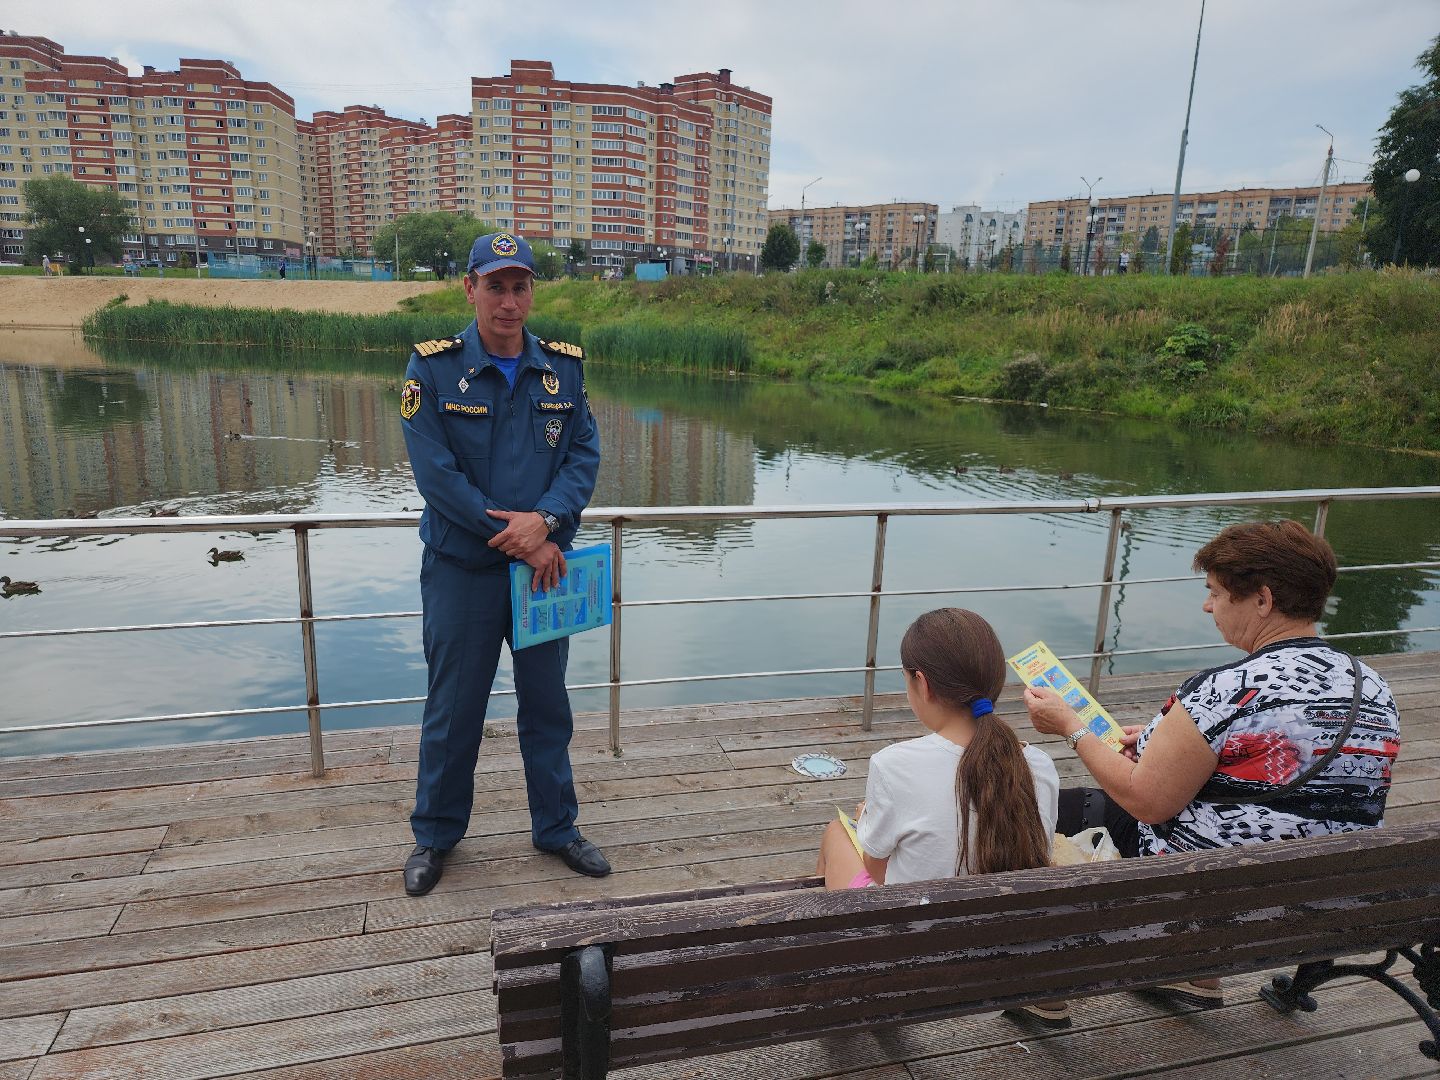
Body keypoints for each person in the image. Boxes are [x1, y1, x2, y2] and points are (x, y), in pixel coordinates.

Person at [1025, 519, 1401, 1006]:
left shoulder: (1227, 688)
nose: (1207, 605)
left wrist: (1071, 728)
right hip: (1333, 900)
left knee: (1047, 806)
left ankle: (1042, 982)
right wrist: (1161, 743)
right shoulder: (1373, 686)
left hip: (1221, 898)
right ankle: (1191, 973)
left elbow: (1147, 801)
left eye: (1216, 593)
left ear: (1262, 600)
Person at [398, 231, 604, 896]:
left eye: (519, 287)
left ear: (532, 293)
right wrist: (522, 536)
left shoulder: (563, 371)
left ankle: (557, 828)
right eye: (495, 287)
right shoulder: (431, 369)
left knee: (548, 707)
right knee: (454, 710)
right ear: (470, 289)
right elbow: (437, 477)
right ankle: (435, 836)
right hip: (463, 573)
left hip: (544, 572)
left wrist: (545, 524)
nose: (508, 302)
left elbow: (583, 456)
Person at [815, 607, 1065, 1026]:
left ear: (922, 683)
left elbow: (877, 872)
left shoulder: (894, 765)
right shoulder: (1038, 765)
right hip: (1003, 967)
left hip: (916, 971)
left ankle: (838, 984)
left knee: (838, 834)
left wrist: (870, 822)